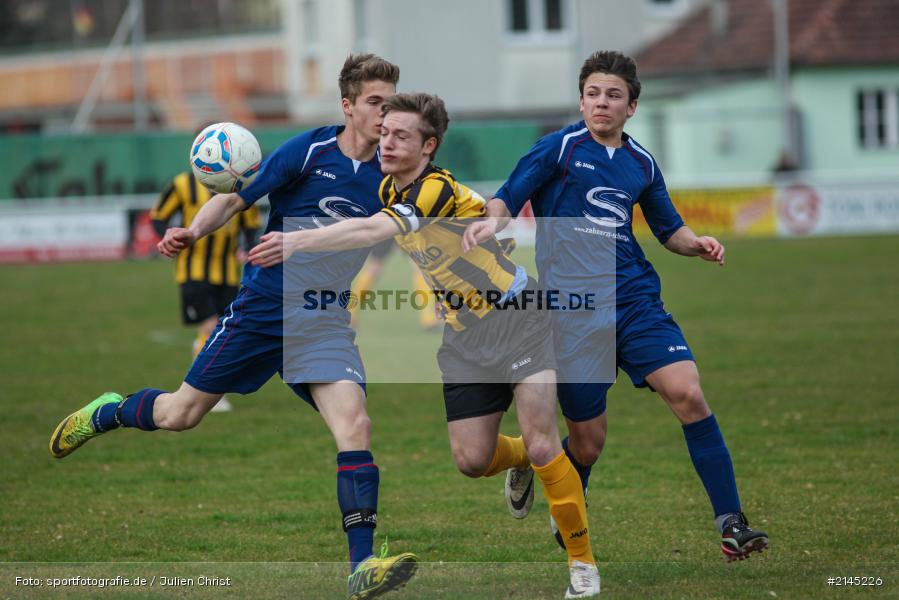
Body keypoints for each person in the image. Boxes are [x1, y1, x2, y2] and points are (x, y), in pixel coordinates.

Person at [48, 54, 418, 600]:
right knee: (180, 414)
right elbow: (235, 197)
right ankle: (107, 411)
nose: (386, 115)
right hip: (264, 309)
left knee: (355, 426)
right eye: (375, 103)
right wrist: (192, 232)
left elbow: (375, 231)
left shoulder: (396, 175)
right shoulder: (308, 151)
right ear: (348, 106)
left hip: (324, 320)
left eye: (392, 103)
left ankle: (362, 566)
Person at [248, 92, 601, 598]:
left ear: (429, 146)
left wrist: (295, 239)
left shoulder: (431, 189)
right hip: (463, 337)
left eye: (400, 136)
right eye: (385, 132)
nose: (386, 142)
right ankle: (525, 460)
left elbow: (373, 228)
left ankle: (582, 567)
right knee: (472, 460)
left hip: (521, 317)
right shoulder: (387, 184)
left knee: (546, 440)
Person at [463, 50, 768, 562]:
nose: (601, 103)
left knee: (689, 394)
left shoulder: (641, 162)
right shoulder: (557, 149)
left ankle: (731, 523)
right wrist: (488, 224)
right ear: (581, 101)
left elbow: (668, 227)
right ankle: (554, 485)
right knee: (587, 445)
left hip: (635, 301)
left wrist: (696, 243)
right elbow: (507, 197)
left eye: (613, 95)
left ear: (631, 107)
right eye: (593, 94)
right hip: (574, 311)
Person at [150, 165, 263, 412]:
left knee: (221, 331)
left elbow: (251, 223)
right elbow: (159, 216)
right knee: (211, 327)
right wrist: (166, 239)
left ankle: (203, 374)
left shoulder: (240, 188)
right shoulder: (182, 184)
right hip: (193, 270)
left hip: (228, 271)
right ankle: (209, 393)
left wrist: (248, 247)